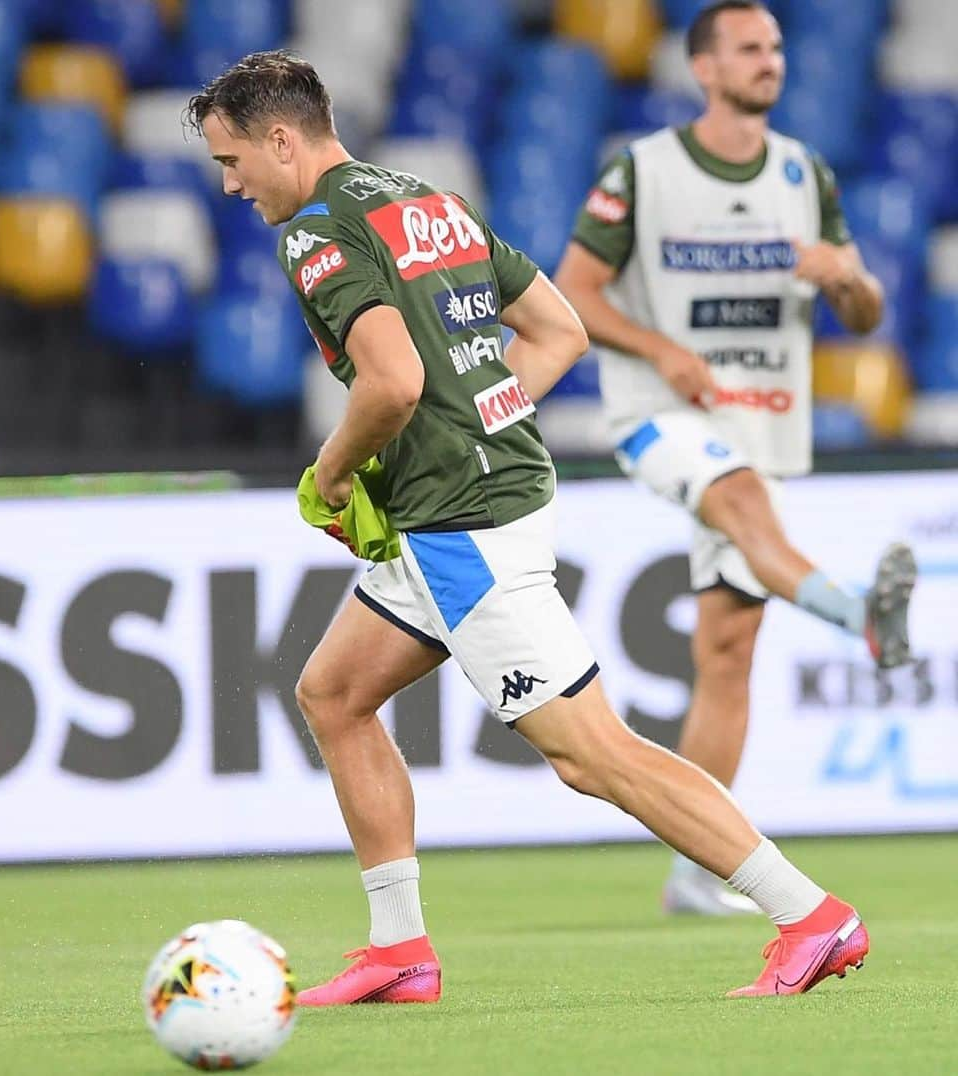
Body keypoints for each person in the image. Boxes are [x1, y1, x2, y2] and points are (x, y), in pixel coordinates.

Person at [187, 48, 870, 1005]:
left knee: (591, 755)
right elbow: (559, 332)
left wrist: (332, 475)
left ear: (281, 140)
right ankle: (399, 950)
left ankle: (810, 914)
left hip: (463, 526)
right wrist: (478, 421)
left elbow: (393, 382)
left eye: (232, 161)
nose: (229, 184)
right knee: (335, 694)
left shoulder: (315, 234)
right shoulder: (425, 199)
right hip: (462, 505)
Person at [553, 0, 915, 917]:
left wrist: (848, 281)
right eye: (750, 48)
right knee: (745, 503)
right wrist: (660, 350)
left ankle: (695, 874)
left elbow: (868, 316)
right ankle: (860, 616)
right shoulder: (643, 171)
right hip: (658, 414)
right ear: (704, 68)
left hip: (762, 418)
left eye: (778, 48)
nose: (772, 61)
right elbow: (573, 294)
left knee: (727, 646)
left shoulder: (805, 172)